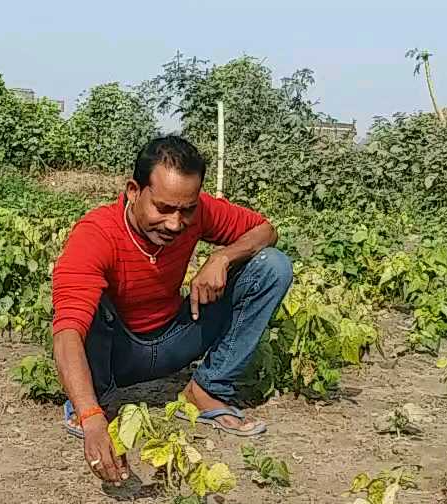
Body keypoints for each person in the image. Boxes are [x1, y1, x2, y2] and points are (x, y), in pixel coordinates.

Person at [51, 136, 292, 484]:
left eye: (187, 210)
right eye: (163, 209)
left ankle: (206, 390)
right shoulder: (96, 234)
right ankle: (91, 403)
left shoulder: (195, 211)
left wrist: (222, 256)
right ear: (134, 191)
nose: (176, 223)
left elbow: (265, 230)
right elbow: (67, 332)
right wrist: (91, 416)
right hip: (116, 353)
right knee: (88, 306)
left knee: (272, 266)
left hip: (174, 338)